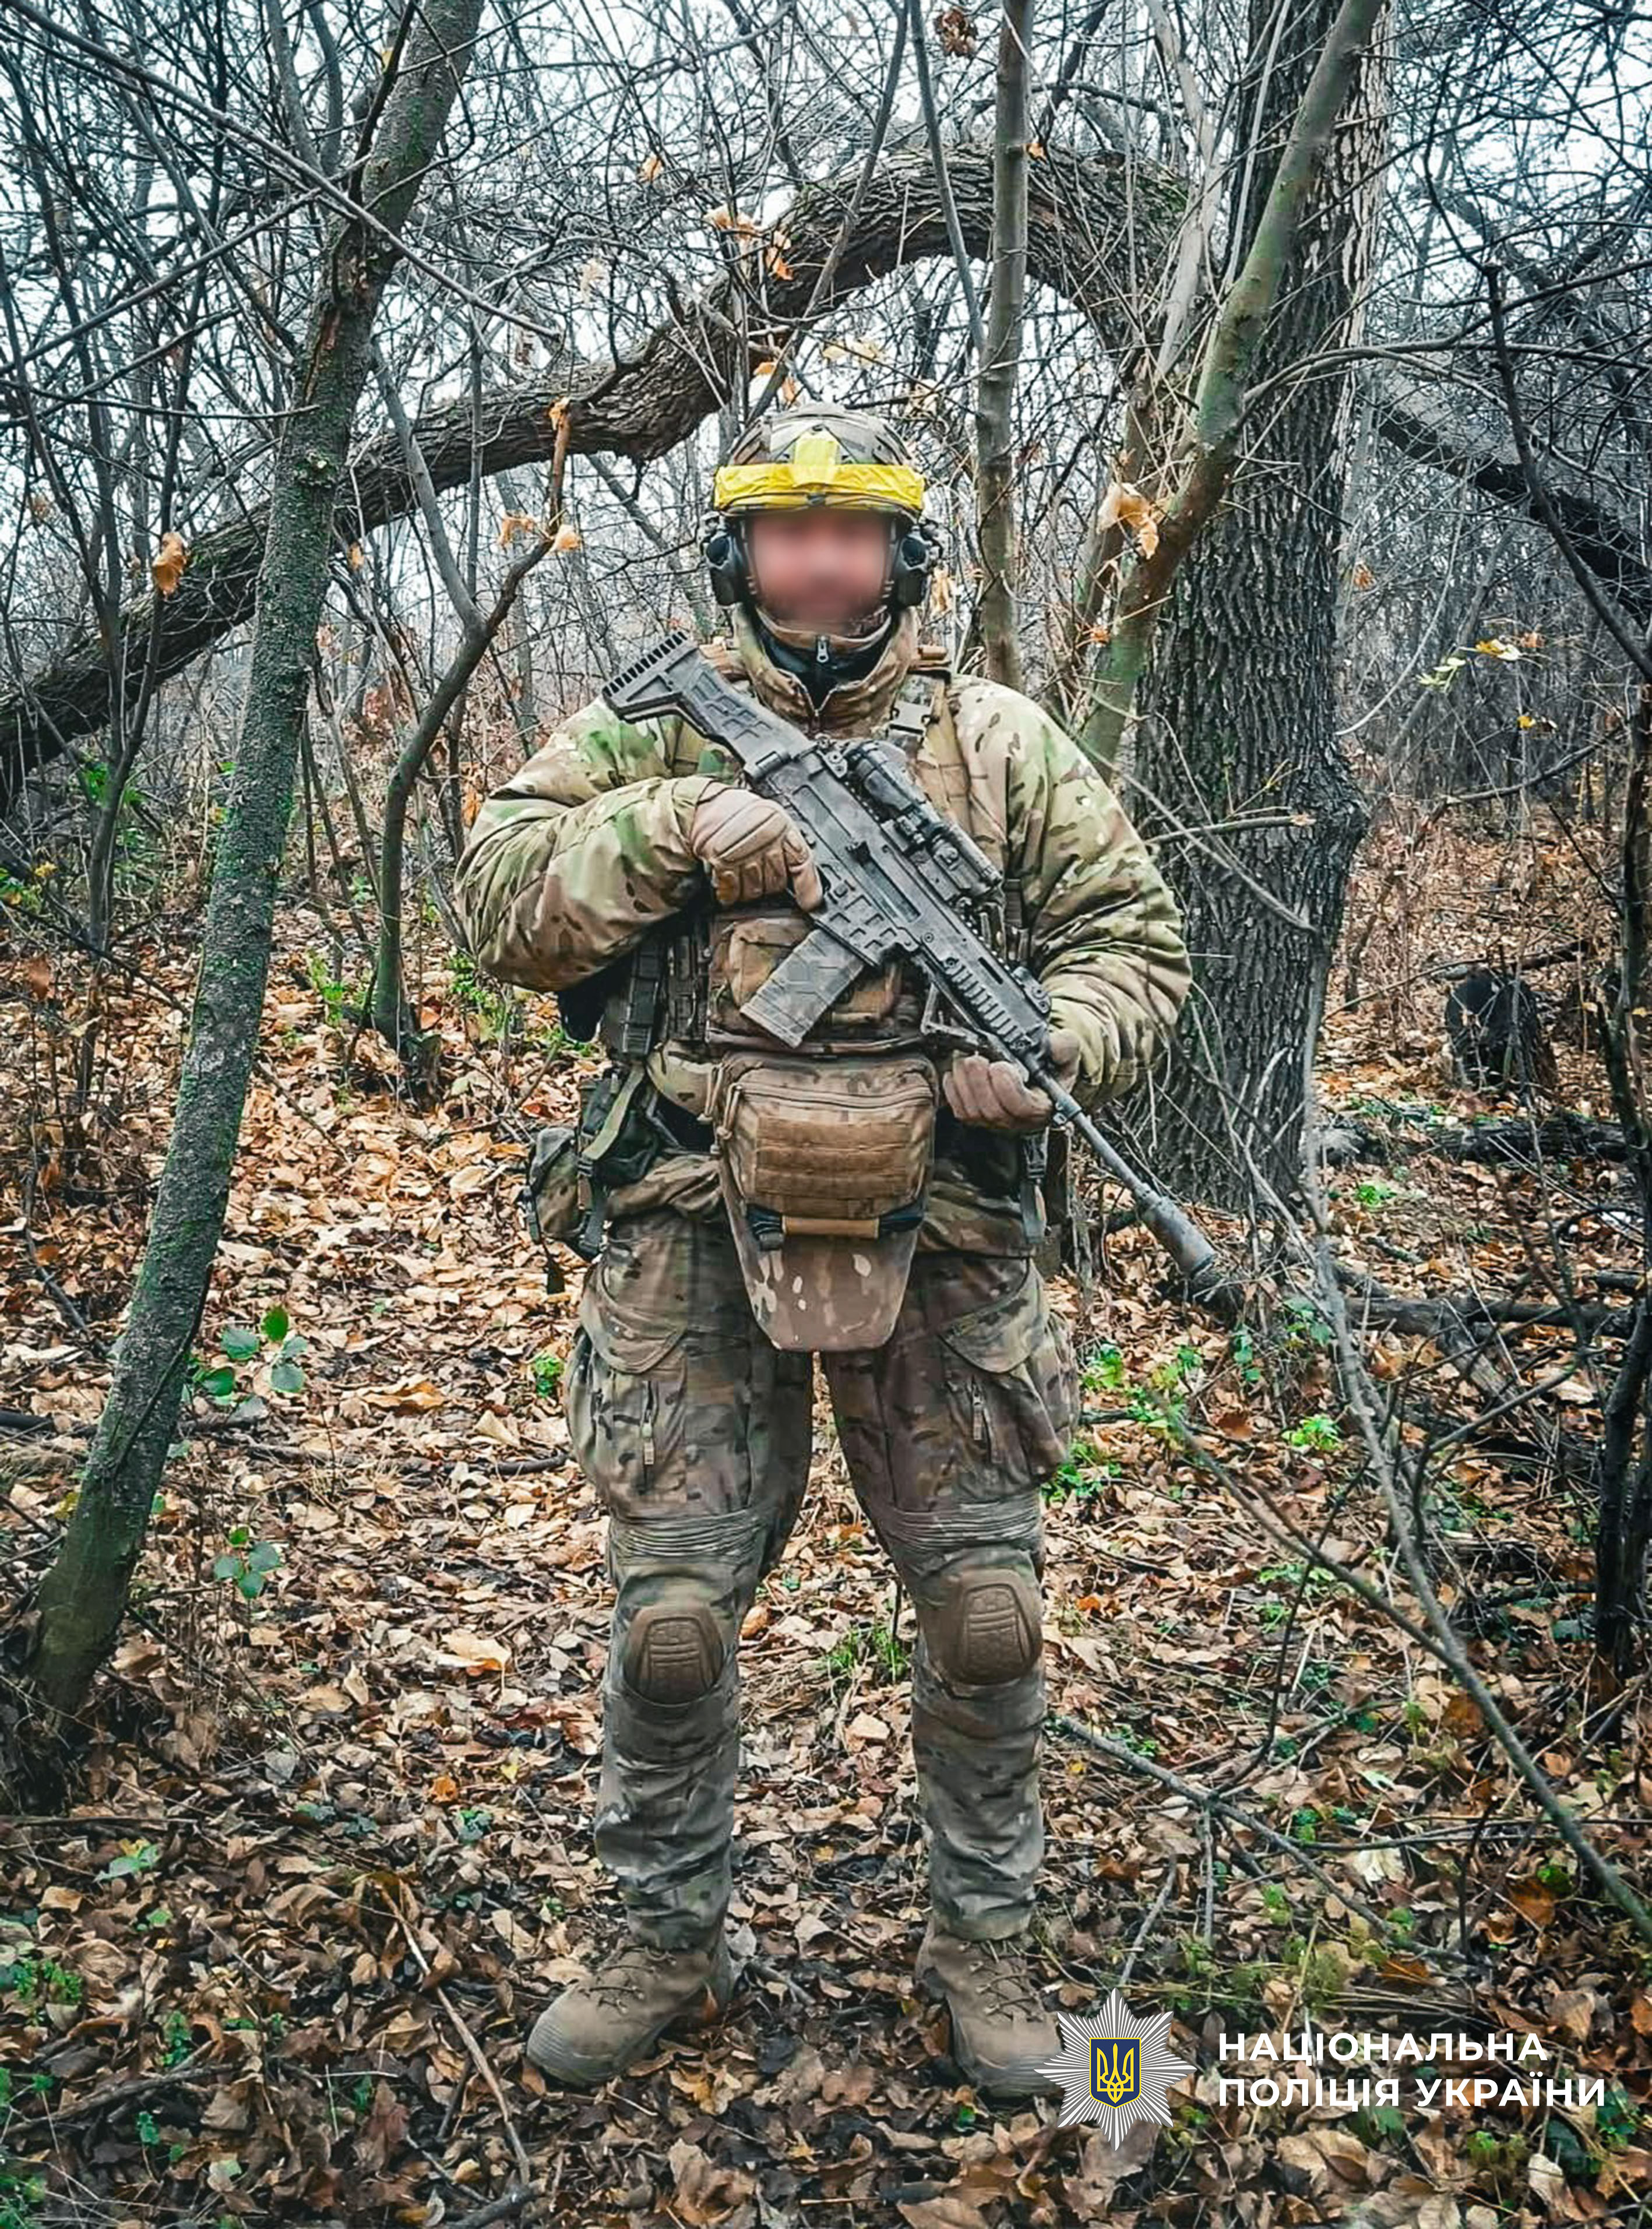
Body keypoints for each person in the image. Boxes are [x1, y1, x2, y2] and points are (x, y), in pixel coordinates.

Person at [454, 406, 1191, 2096]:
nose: (818, 561)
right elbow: (496, 897)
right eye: (786, 532)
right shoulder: (650, 727)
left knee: (990, 1615)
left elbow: (1135, 947)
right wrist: (667, 835)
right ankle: (657, 1935)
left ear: (898, 552)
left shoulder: (998, 740)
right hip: (688, 1216)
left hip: (947, 1224)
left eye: (850, 531)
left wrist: (1054, 1045)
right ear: (739, 553)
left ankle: (985, 1949)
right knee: (673, 1627)